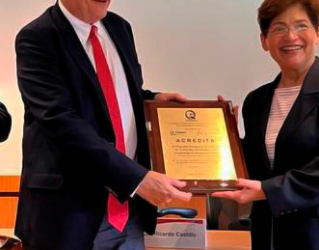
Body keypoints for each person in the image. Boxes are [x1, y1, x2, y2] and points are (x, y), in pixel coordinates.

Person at [15, 0, 192, 249]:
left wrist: (151, 100)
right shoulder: (37, 37)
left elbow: (114, 97)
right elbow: (58, 118)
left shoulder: (119, 27)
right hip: (68, 215)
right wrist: (137, 179)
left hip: (129, 211)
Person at [213, 0, 319, 249]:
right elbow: (259, 169)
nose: (291, 36)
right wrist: (228, 141)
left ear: (317, 33)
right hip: (271, 235)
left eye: (301, 26)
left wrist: (267, 190)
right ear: (264, 40)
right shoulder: (257, 101)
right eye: (278, 28)